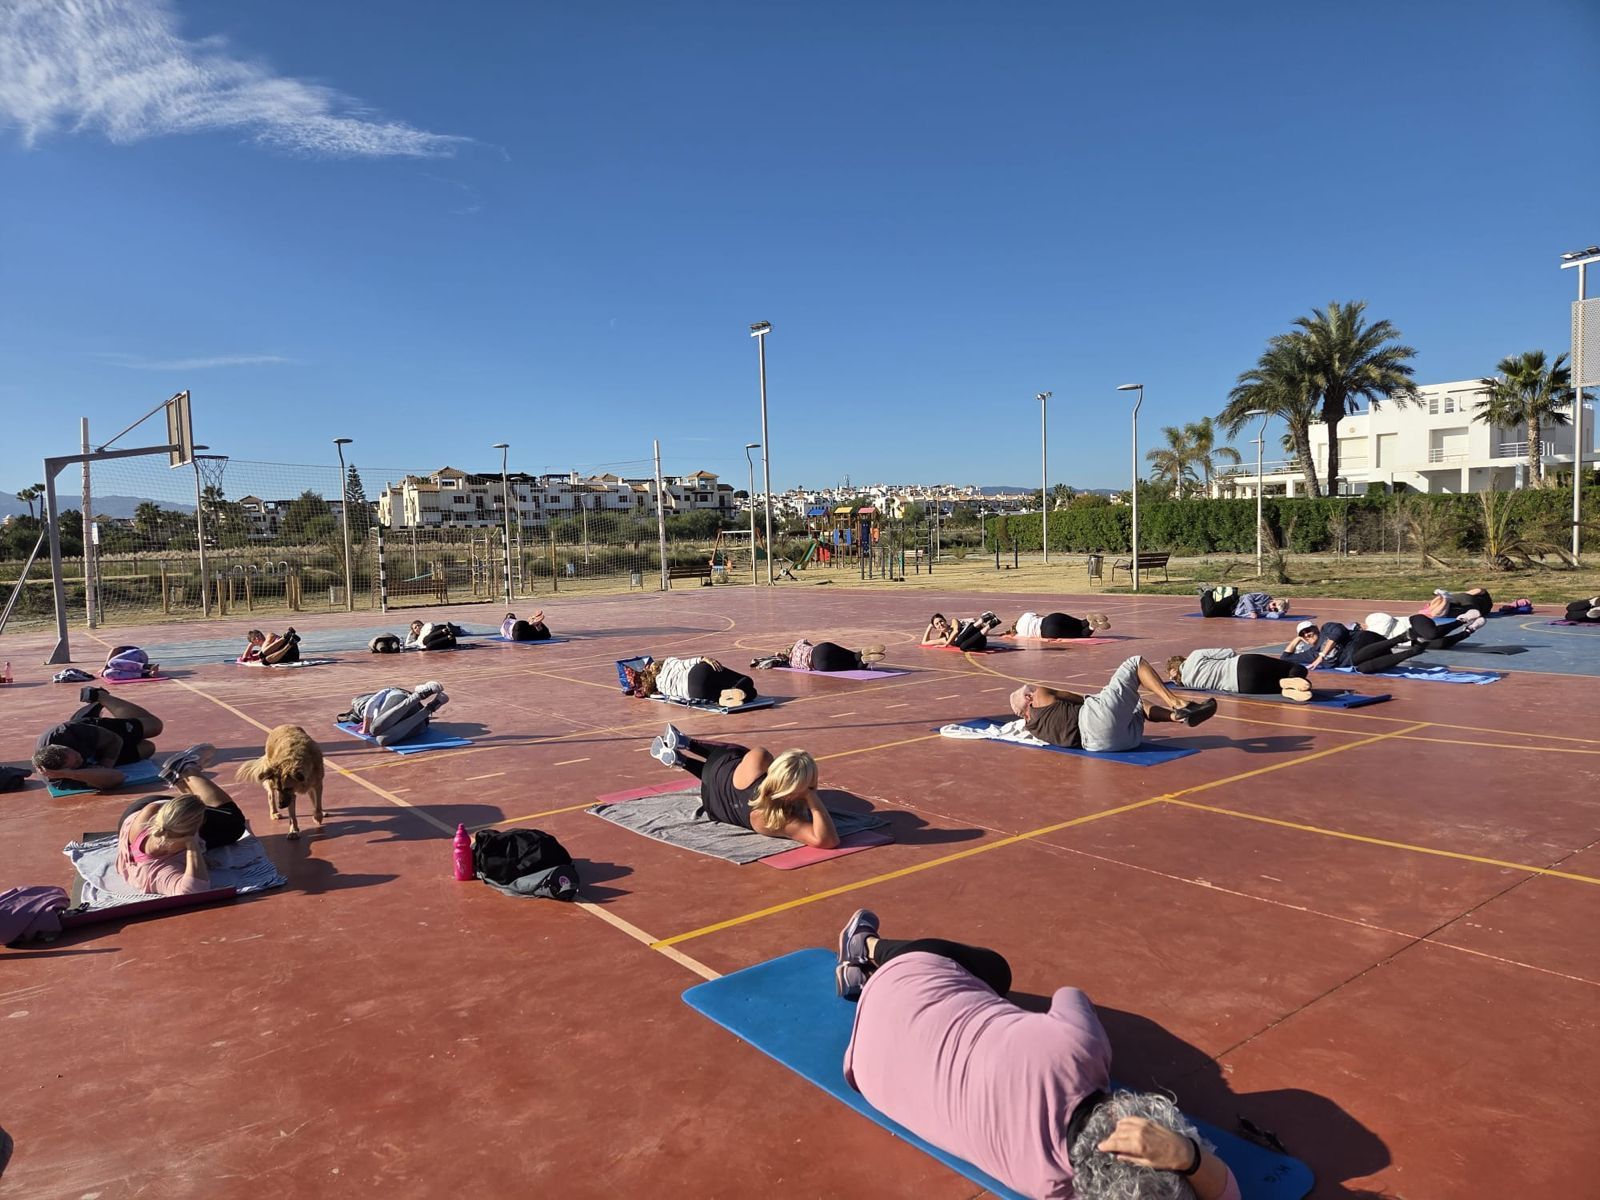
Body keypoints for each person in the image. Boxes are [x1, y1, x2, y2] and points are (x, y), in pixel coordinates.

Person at [836, 909, 1242, 1200]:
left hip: (907, 983)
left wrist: (1187, 1156)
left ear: (1125, 1113)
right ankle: (860, 975)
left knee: (995, 969)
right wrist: (1190, 1164)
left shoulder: (1077, 1050)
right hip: (865, 1066)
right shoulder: (1047, 1186)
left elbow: (1070, 995)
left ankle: (866, 945)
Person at [647, 724, 839, 848]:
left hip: (717, 774)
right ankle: (682, 761)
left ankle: (688, 744)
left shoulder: (760, 763)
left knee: (749, 753)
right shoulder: (776, 819)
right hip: (713, 802)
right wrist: (811, 797)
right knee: (734, 764)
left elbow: (750, 757)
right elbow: (828, 840)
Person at [115, 747, 249, 897]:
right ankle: (187, 769)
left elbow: (152, 809)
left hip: (147, 809)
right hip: (142, 813)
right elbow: (193, 890)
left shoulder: (163, 825)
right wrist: (193, 848)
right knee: (234, 822)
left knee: (219, 821)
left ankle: (180, 779)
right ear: (196, 831)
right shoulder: (159, 870)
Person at [1011, 657, 1217, 753]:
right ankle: (1179, 704)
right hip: (1094, 720)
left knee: (1135, 702)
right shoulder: (1038, 696)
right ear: (1028, 699)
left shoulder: (1033, 727)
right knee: (1135, 664)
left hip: (1107, 745)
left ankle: (1178, 717)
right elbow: (1076, 698)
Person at [31, 688, 166, 791]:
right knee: (148, 748)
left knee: (155, 726)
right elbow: (117, 778)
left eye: (77, 756)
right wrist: (73, 774)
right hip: (94, 755)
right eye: (77, 764)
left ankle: (99, 695)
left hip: (94, 734)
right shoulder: (58, 778)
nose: (80, 760)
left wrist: (105, 766)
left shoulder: (68, 732)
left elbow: (115, 740)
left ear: (64, 747)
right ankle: (88, 712)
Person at [1166, 648, 1311, 701]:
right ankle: (1292, 680)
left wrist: (1175, 679)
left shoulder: (1188, 684)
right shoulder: (1195, 655)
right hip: (1244, 664)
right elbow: (1229, 652)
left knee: (1274, 684)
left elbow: (1176, 683)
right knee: (1295, 667)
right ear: (1181, 659)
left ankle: (1284, 688)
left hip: (1242, 686)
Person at [634, 656, 759, 707]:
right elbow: (683, 664)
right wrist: (703, 658)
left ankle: (722, 698)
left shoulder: (661, 689)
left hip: (694, 692)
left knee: (750, 695)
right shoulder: (667, 663)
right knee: (747, 682)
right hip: (698, 673)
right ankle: (733, 690)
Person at [1307, 622, 1425, 675]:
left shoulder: (1327, 628)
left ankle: (1402, 637)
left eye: (1308, 631)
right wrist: (1297, 640)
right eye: (1303, 635)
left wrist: (1322, 655)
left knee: (1356, 658)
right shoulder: (1312, 653)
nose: (1307, 635)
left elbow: (1339, 632)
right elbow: (1287, 657)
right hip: (1372, 655)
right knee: (1363, 668)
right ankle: (1414, 651)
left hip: (1367, 640)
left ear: (1315, 628)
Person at [1363, 611, 1484, 650]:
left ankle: (1462, 620)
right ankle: (1469, 630)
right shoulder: (1369, 640)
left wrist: (1377, 633)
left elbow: (1387, 619)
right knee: (1439, 644)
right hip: (1411, 638)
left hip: (1415, 622)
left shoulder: (1371, 619)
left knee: (1431, 634)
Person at [758, 638, 887, 672]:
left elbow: (780, 659)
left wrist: (781, 657)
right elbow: (806, 641)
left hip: (818, 664)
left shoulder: (792, 663)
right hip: (821, 648)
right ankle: (861, 653)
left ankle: (864, 661)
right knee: (852, 655)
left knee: (853, 665)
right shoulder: (799, 644)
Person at [1000, 611, 1111, 640]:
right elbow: (1039, 615)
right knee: (1079, 624)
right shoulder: (1025, 616)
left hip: (1048, 631)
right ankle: (1089, 620)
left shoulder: (1021, 633)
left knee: (1081, 634)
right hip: (1051, 618)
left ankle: (1092, 626)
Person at [923, 611, 1002, 651]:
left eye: (941, 621)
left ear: (945, 621)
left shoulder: (954, 622)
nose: (940, 624)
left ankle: (984, 621)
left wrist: (946, 644)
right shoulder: (944, 639)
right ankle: (991, 624)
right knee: (962, 647)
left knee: (958, 642)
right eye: (937, 624)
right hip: (979, 644)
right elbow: (924, 642)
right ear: (935, 627)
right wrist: (929, 627)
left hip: (975, 631)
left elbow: (956, 631)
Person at [1196, 585, 1290, 619]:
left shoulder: (1267, 613)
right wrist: (1252, 611)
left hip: (1232, 612)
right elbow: (1247, 597)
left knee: (1208, 614)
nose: (1273, 608)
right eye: (1274, 604)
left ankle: (1203, 596)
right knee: (1209, 611)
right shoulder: (1264, 597)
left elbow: (1276, 616)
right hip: (1235, 601)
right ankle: (1208, 591)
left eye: (1275, 609)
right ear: (1272, 600)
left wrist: (1284, 611)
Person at [1422, 588, 1493, 620]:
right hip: (1472, 605)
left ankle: (1443, 598)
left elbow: (1479, 590)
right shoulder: (1487, 607)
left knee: (1434, 610)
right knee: (1435, 612)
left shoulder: (1485, 596)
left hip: (1464, 597)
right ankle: (1444, 599)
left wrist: (1464, 594)